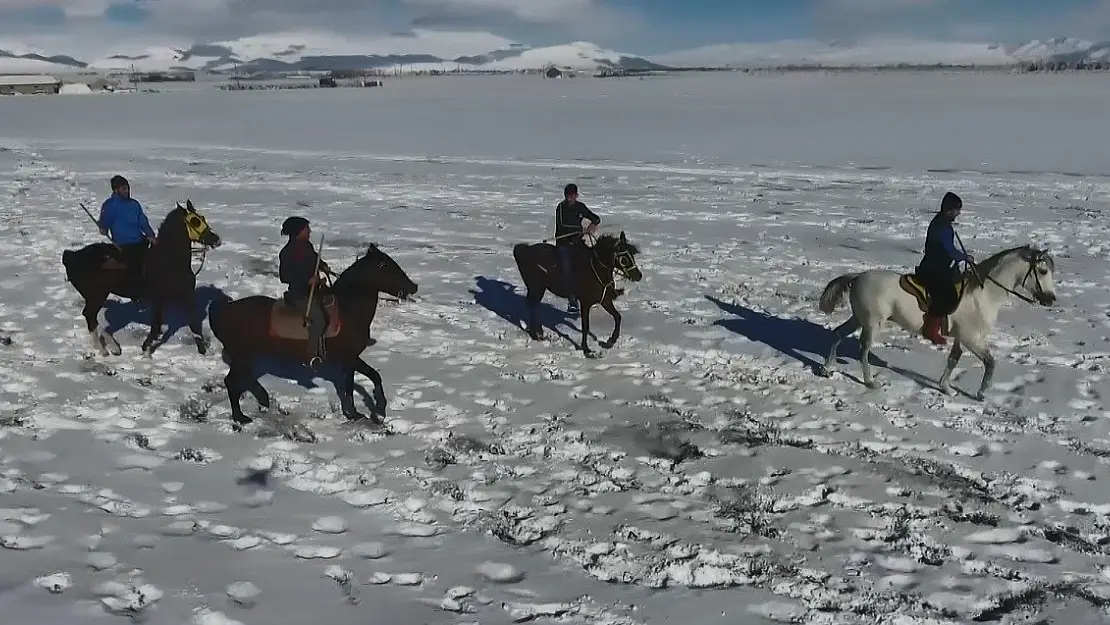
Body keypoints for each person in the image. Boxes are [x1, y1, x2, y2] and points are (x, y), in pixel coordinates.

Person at [915, 191, 973, 345]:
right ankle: (931, 330)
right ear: (948, 209)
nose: (958, 213)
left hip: (940, 266)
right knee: (947, 297)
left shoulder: (943, 223)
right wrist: (964, 257)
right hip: (934, 269)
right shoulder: (942, 226)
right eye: (956, 210)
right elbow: (949, 250)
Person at [278, 216, 332, 367]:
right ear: (299, 231)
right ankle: (310, 355)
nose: (310, 231)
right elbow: (284, 276)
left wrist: (323, 266)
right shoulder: (287, 252)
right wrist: (307, 280)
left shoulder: (307, 246)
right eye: (307, 228)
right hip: (299, 294)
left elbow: (315, 260)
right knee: (319, 319)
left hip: (314, 290)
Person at [553, 183, 601, 313]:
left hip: (577, 243)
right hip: (563, 243)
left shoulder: (581, 207)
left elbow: (596, 218)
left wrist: (592, 225)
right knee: (567, 269)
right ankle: (572, 300)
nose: (571, 198)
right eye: (569, 195)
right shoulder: (561, 208)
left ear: (577, 195)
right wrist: (580, 230)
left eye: (573, 195)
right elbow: (563, 225)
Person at [98, 175, 156, 279]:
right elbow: (105, 222)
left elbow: (143, 222)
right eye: (124, 189)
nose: (127, 191)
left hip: (140, 241)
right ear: (116, 190)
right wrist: (103, 227)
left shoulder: (134, 204)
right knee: (135, 267)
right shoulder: (109, 205)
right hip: (124, 245)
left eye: (128, 188)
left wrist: (150, 235)